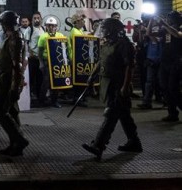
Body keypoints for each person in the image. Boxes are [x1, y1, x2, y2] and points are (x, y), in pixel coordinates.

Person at [82, 18, 142, 160]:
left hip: (118, 84)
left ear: (112, 29)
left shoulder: (123, 44)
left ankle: (98, 145)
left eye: (105, 28)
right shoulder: (107, 43)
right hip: (108, 83)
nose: (103, 31)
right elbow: (101, 61)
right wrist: (92, 76)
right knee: (123, 114)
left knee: (111, 114)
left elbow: (129, 66)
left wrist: (125, 86)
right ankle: (134, 142)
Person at [0, 11, 29, 156]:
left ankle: (19, 139)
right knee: (12, 111)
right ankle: (15, 143)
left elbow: (17, 65)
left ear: (5, 23)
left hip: (8, 81)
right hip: (5, 78)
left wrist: (15, 86)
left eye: (1, 22)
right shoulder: (12, 36)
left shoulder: (15, 38)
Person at [155, 11, 182, 122]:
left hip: (176, 62)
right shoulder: (166, 29)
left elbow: (177, 35)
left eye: (170, 18)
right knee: (165, 88)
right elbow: (150, 35)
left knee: (173, 88)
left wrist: (165, 24)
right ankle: (172, 114)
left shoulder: (180, 27)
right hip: (164, 62)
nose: (168, 19)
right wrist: (153, 21)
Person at [37, 17, 66, 108]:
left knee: (57, 82)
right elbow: (40, 52)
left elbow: (64, 49)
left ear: (56, 26)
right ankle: (41, 101)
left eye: (53, 25)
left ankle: (54, 101)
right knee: (46, 82)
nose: (51, 27)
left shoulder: (60, 36)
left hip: (58, 62)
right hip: (47, 62)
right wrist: (41, 63)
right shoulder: (43, 36)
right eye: (49, 25)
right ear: (46, 26)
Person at [138, 16, 163, 109]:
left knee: (162, 83)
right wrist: (141, 31)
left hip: (160, 61)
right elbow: (141, 43)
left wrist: (151, 21)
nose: (154, 29)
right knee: (149, 83)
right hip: (150, 60)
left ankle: (167, 102)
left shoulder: (161, 36)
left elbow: (151, 36)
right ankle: (147, 102)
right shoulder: (149, 39)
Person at [68, 13, 88, 107]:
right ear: (76, 22)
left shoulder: (78, 31)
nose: (83, 22)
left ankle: (79, 98)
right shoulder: (75, 32)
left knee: (79, 79)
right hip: (76, 58)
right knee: (77, 80)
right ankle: (77, 99)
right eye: (81, 20)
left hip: (79, 58)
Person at [28, 12, 45, 105]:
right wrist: (29, 54)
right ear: (32, 20)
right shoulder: (30, 29)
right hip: (33, 58)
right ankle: (29, 99)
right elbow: (26, 43)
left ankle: (39, 98)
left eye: (38, 18)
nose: (36, 19)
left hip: (40, 59)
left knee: (40, 79)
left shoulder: (43, 29)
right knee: (31, 79)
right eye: (34, 18)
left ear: (41, 19)